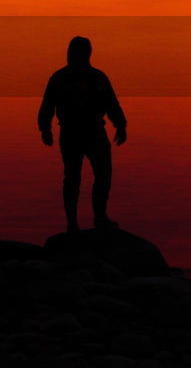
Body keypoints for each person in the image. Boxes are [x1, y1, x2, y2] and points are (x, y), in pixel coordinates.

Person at [37, 36, 127, 232]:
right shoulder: (66, 77)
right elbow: (48, 105)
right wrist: (45, 128)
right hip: (78, 132)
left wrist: (121, 125)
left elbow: (111, 103)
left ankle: (93, 219)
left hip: (88, 132)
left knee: (94, 176)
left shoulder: (90, 77)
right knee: (77, 178)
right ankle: (78, 222)